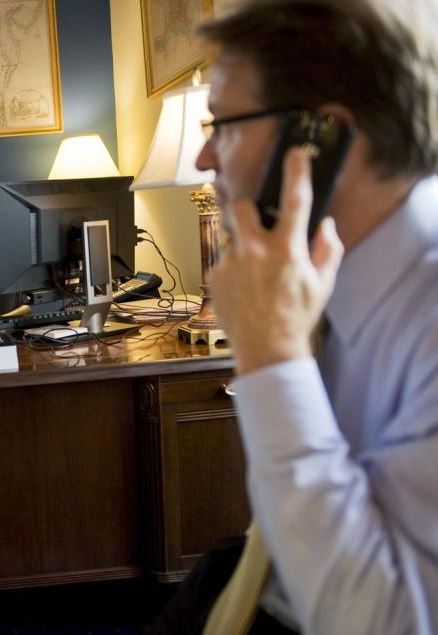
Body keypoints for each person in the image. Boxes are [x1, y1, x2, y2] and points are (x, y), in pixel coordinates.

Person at [150, 1, 438, 633]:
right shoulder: (322, 264)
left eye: (222, 125)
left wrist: (275, 356)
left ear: (320, 135)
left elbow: (389, 621)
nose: (204, 160)